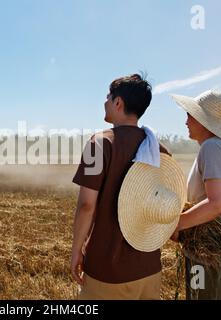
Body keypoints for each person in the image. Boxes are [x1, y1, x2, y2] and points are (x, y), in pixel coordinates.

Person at [70, 74, 175, 300]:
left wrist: (76, 249)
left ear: (118, 103)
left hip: (107, 270)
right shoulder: (159, 150)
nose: (105, 102)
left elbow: (87, 205)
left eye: (108, 97)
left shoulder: (99, 143)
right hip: (149, 267)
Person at [170, 90, 221, 300]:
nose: (186, 121)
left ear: (202, 120)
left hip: (214, 260)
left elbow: (217, 203)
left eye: (190, 115)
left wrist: (178, 223)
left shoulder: (212, 148)